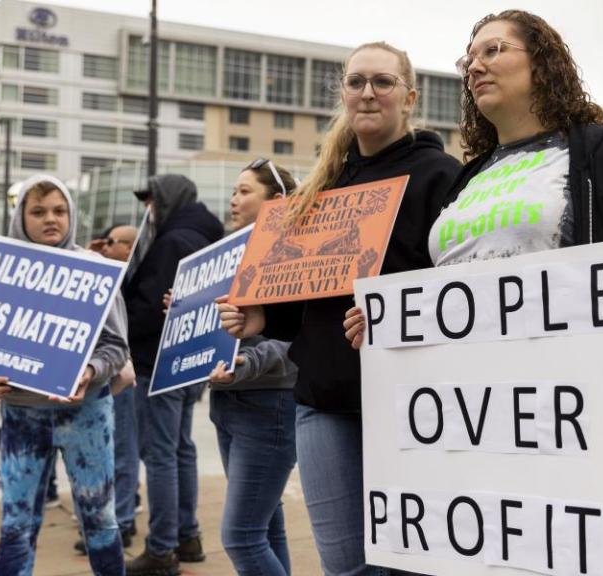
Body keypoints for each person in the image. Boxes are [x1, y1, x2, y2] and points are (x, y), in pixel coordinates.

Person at [344, 10, 603, 519]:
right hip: (479, 426)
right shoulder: (469, 178)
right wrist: (389, 323)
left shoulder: (597, 153)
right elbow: (444, 297)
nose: (475, 66)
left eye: (494, 51)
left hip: (576, 425)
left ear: (541, 64)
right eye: (469, 58)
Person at [218, 42, 461, 575]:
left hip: (411, 405)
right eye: (356, 82)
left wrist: (395, 310)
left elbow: (460, 287)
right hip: (325, 402)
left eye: (382, 82)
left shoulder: (441, 175)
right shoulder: (323, 184)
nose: (368, 93)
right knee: (347, 569)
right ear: (343, 93)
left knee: (410, 565)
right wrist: (263, 319)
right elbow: (310, 294)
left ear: (409, 96)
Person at [0, 175, 129, 576]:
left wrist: (90, 370)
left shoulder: (94, 269)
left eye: (59, 211)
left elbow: (116, 347)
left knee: (99, 519)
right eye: (38, 211)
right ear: (19, 216)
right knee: (16, 525)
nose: (50, 220)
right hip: (22, 414)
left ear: (72, 215)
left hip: (87, 413)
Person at [203, 158, 299, 575]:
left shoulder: (293, 256)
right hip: (228, 401)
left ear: (276, 201)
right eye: (233, 191)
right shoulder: (228, 256)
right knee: (265, 525)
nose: (233, 199)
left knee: (240, 536)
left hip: (269, 406)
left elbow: (296, 338)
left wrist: (246, 363)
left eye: (245, 191)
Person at [124, 174, 224, 576]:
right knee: (181, 448)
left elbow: (150, 308)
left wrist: (117, 319)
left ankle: (162, 549)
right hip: (190, 361)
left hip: (157, 361)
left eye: (152, 202)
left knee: (160, 454)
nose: (148, 210)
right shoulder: (205, 236)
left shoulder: (170, 243)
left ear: (168, 200)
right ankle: (188, 535)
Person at [75, 222, 140, 556]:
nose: (105, 247)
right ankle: (109, 516)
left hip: (119, 374)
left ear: (128, 247)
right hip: (98, 377)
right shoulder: (102, 269)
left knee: (122, 452)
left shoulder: (131, 277)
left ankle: (124, 520)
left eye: (112, 242)